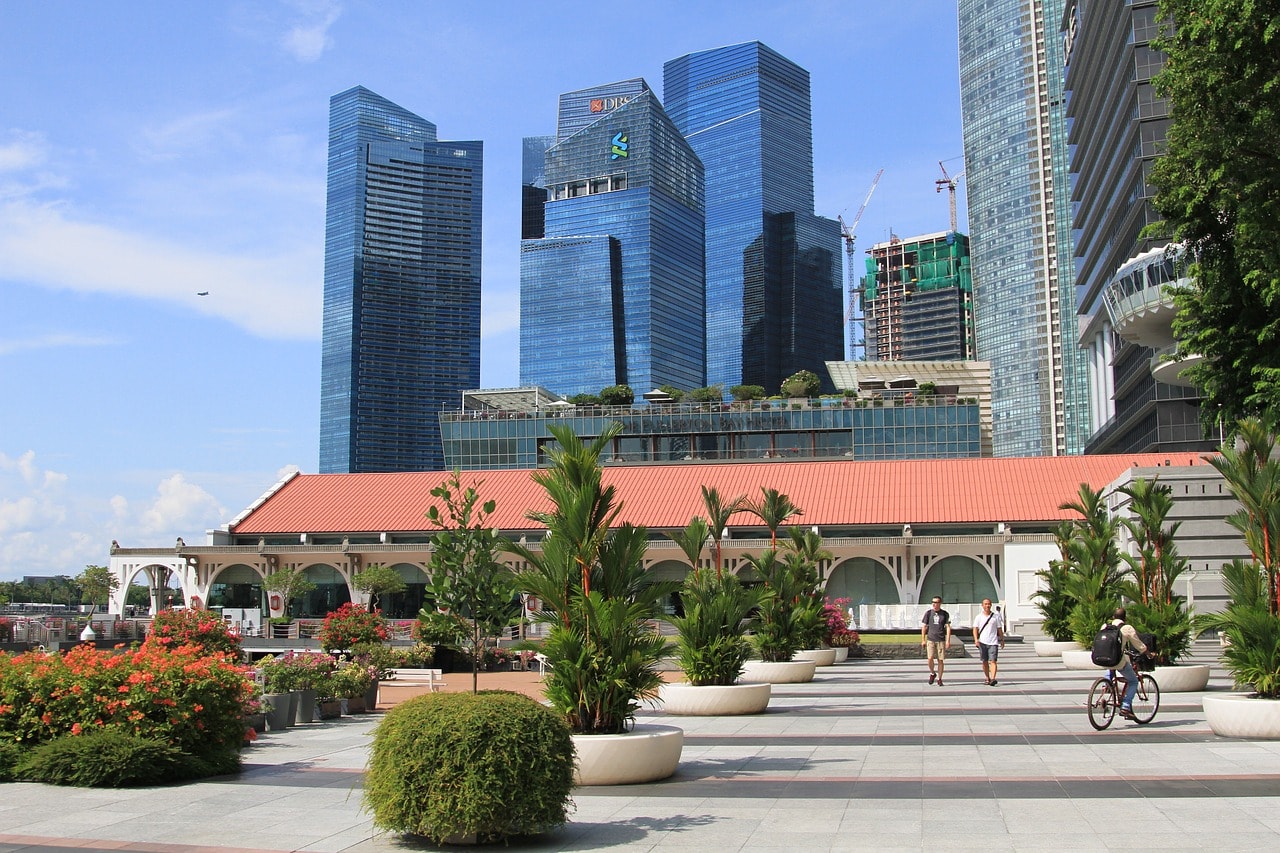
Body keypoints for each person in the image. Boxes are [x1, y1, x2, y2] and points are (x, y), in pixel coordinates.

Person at [1105, 606, 1151, 719]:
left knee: (1110, 666)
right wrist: (1148, 652)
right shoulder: (1126, 628)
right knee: (1133, 681)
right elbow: (1137, 643)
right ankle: (1125, 706)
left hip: (1103, 659)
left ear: (1113, 617)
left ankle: (1106, 683)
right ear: (1125, 618)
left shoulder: (1105, 626)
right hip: (1118, 661)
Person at [972, 598, 1005, 685]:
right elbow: (975, 629)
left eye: (989, 604)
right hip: (982, 642)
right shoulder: (979, 617)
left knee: (993, 661)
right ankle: (987, 677)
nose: (987, 605)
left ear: (991, 605)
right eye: (985, 604)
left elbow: (999, 629)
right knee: (984, 661)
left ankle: (993, 678)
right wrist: (976, 640)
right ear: (982, 605)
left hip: (993, 642)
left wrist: (1002, 639)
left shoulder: (995, 617)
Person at [920, 596, 951, 685]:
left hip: (941, 639)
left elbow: (948, 627)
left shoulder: (944, 614)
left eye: (936, 602)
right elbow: (924, 626)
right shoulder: (929, 613)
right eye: (933, 602)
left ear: (940, 603)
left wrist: (948, 640)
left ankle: (940, 679)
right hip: (931, 639)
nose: (934, 604)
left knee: (940, 660)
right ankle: (933, 673)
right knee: (930, 658)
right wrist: (923, 639)